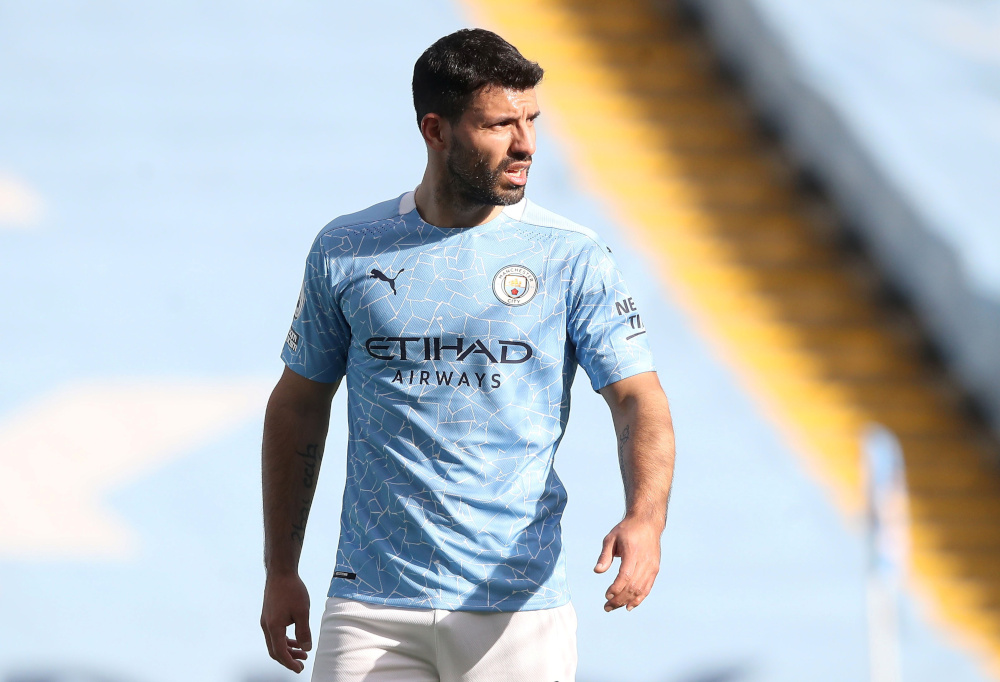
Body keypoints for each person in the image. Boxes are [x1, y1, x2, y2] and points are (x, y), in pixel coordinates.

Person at [260, 28, 676, 682]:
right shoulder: (347, 249)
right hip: (371, 605)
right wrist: (281, 570)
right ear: (436, 130)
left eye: (532, 120)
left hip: (515, 610)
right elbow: (298, 405)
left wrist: (645, 519)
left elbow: (638, 399)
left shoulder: (571, 257)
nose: (526, 144)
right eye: (499, 125)